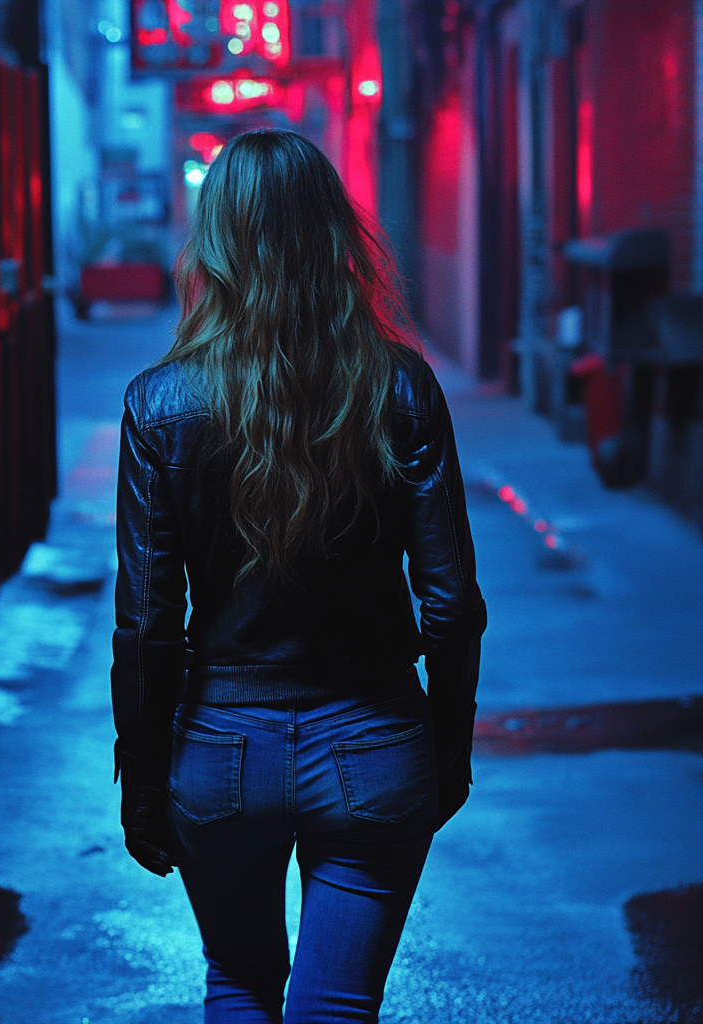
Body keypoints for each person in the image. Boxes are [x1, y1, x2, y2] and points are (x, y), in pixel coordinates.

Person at [111, 129, 486, 1024]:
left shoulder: (159, 404)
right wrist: (445, 750)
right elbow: (450, 604)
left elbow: (148, 622)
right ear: (333, 236)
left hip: (220, 747)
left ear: (216, 244)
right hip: (373, 738)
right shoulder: (399, 389)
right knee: (338, 1005)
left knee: (239, 983)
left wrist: (144, 774)